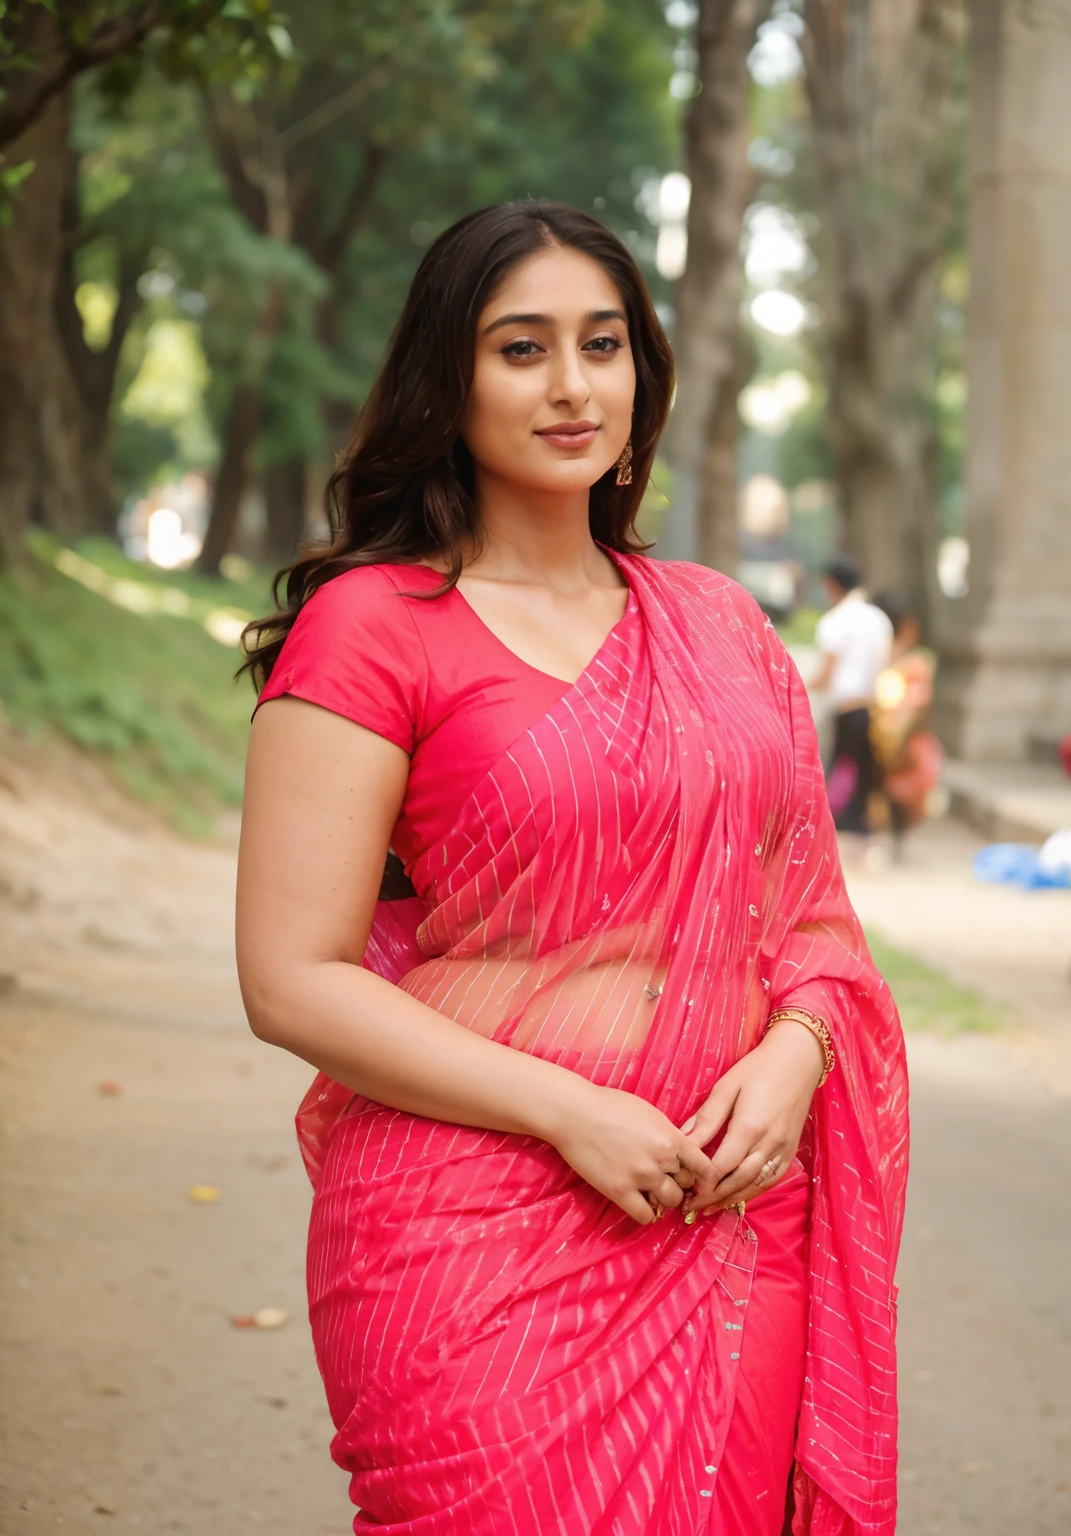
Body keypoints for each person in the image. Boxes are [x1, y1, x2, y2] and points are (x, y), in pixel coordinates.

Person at [235, 201, 908, 1536]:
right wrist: (570, 1112)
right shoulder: (375, 626)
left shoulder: (719, 626)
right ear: (451, 376)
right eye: (521, 348)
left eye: (602, 345)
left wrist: (796, 1060)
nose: (570, 386)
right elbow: (291, 979)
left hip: (720, 1221)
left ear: (643, 373)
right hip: (470, 1227)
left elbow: (815, 931)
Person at [809, 555, 894, 839]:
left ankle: (831, 827)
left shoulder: (834, 622)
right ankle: (861, 828)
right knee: (863, 775)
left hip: (844, 710)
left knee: (837, 770)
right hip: (870, 709)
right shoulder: (878, 619)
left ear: (832, 584)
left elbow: (826, 675)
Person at [869, 591, 943, 852]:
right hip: (889, 736)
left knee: (896, 790)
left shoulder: (911, 663)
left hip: (900, 737)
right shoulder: (909, 661)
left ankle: (894, 836)